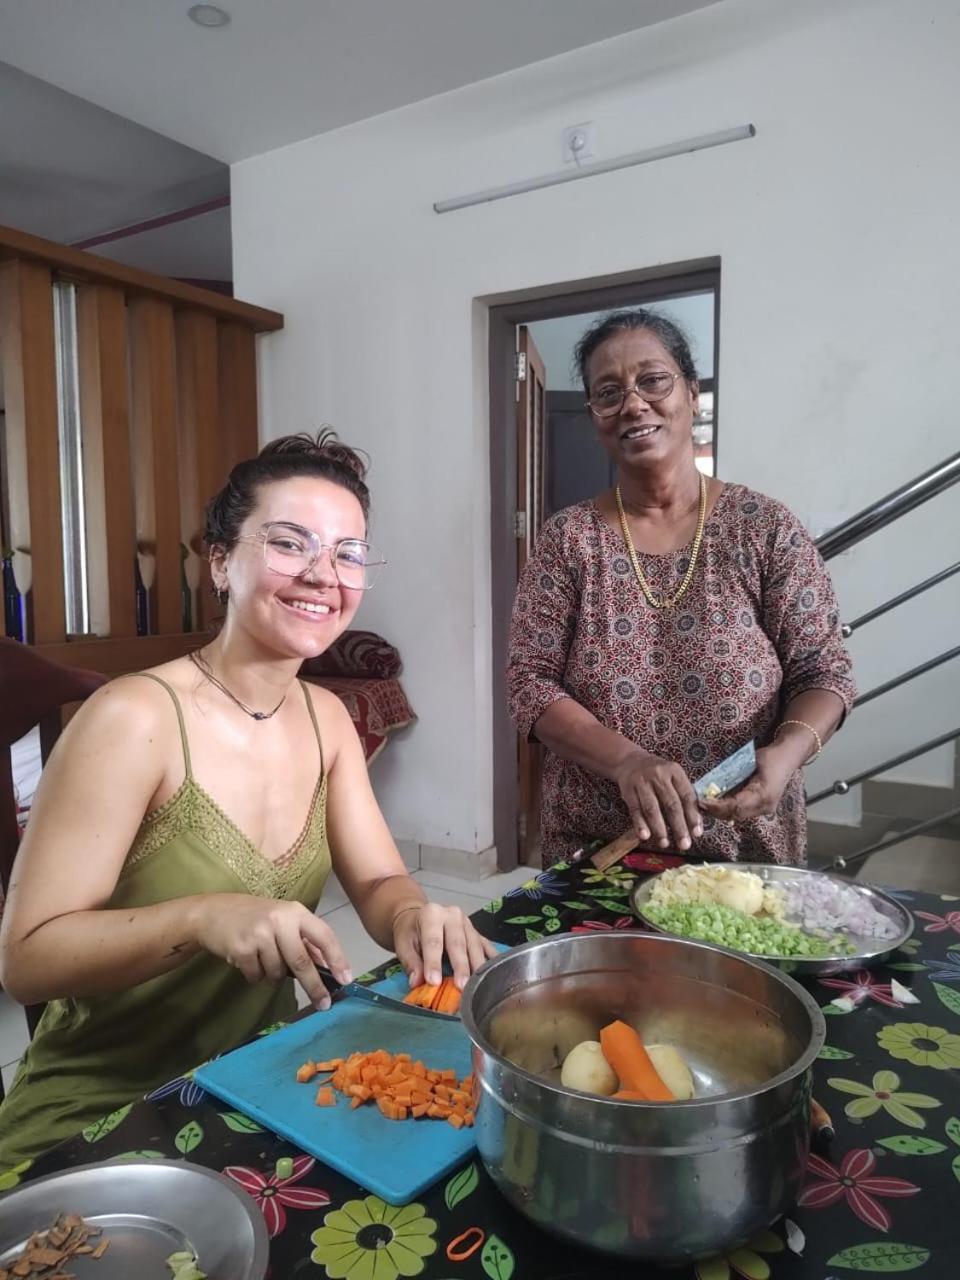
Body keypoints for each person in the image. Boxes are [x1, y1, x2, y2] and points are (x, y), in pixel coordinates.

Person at [0, 432, 495, 1168]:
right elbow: (27, 959)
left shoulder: (328, 718)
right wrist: (202, 918)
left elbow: (380, 882)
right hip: (103, 1113)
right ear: (222, 561)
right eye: (290, 543)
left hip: (254, 1085)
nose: (324, 574)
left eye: (349, 553)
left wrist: (414, 917)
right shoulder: (134, 719)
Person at [507, 310, 856, 868]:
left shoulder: (765, 528)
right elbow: (530, 684)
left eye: (652, 380)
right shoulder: (567, 540)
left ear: (692, 394)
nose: (634, 404)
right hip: (599, 847)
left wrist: (786, 755)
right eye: (608, 391)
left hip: (742, 849)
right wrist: (627, 762)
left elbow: (825, 672)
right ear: (596, 416)